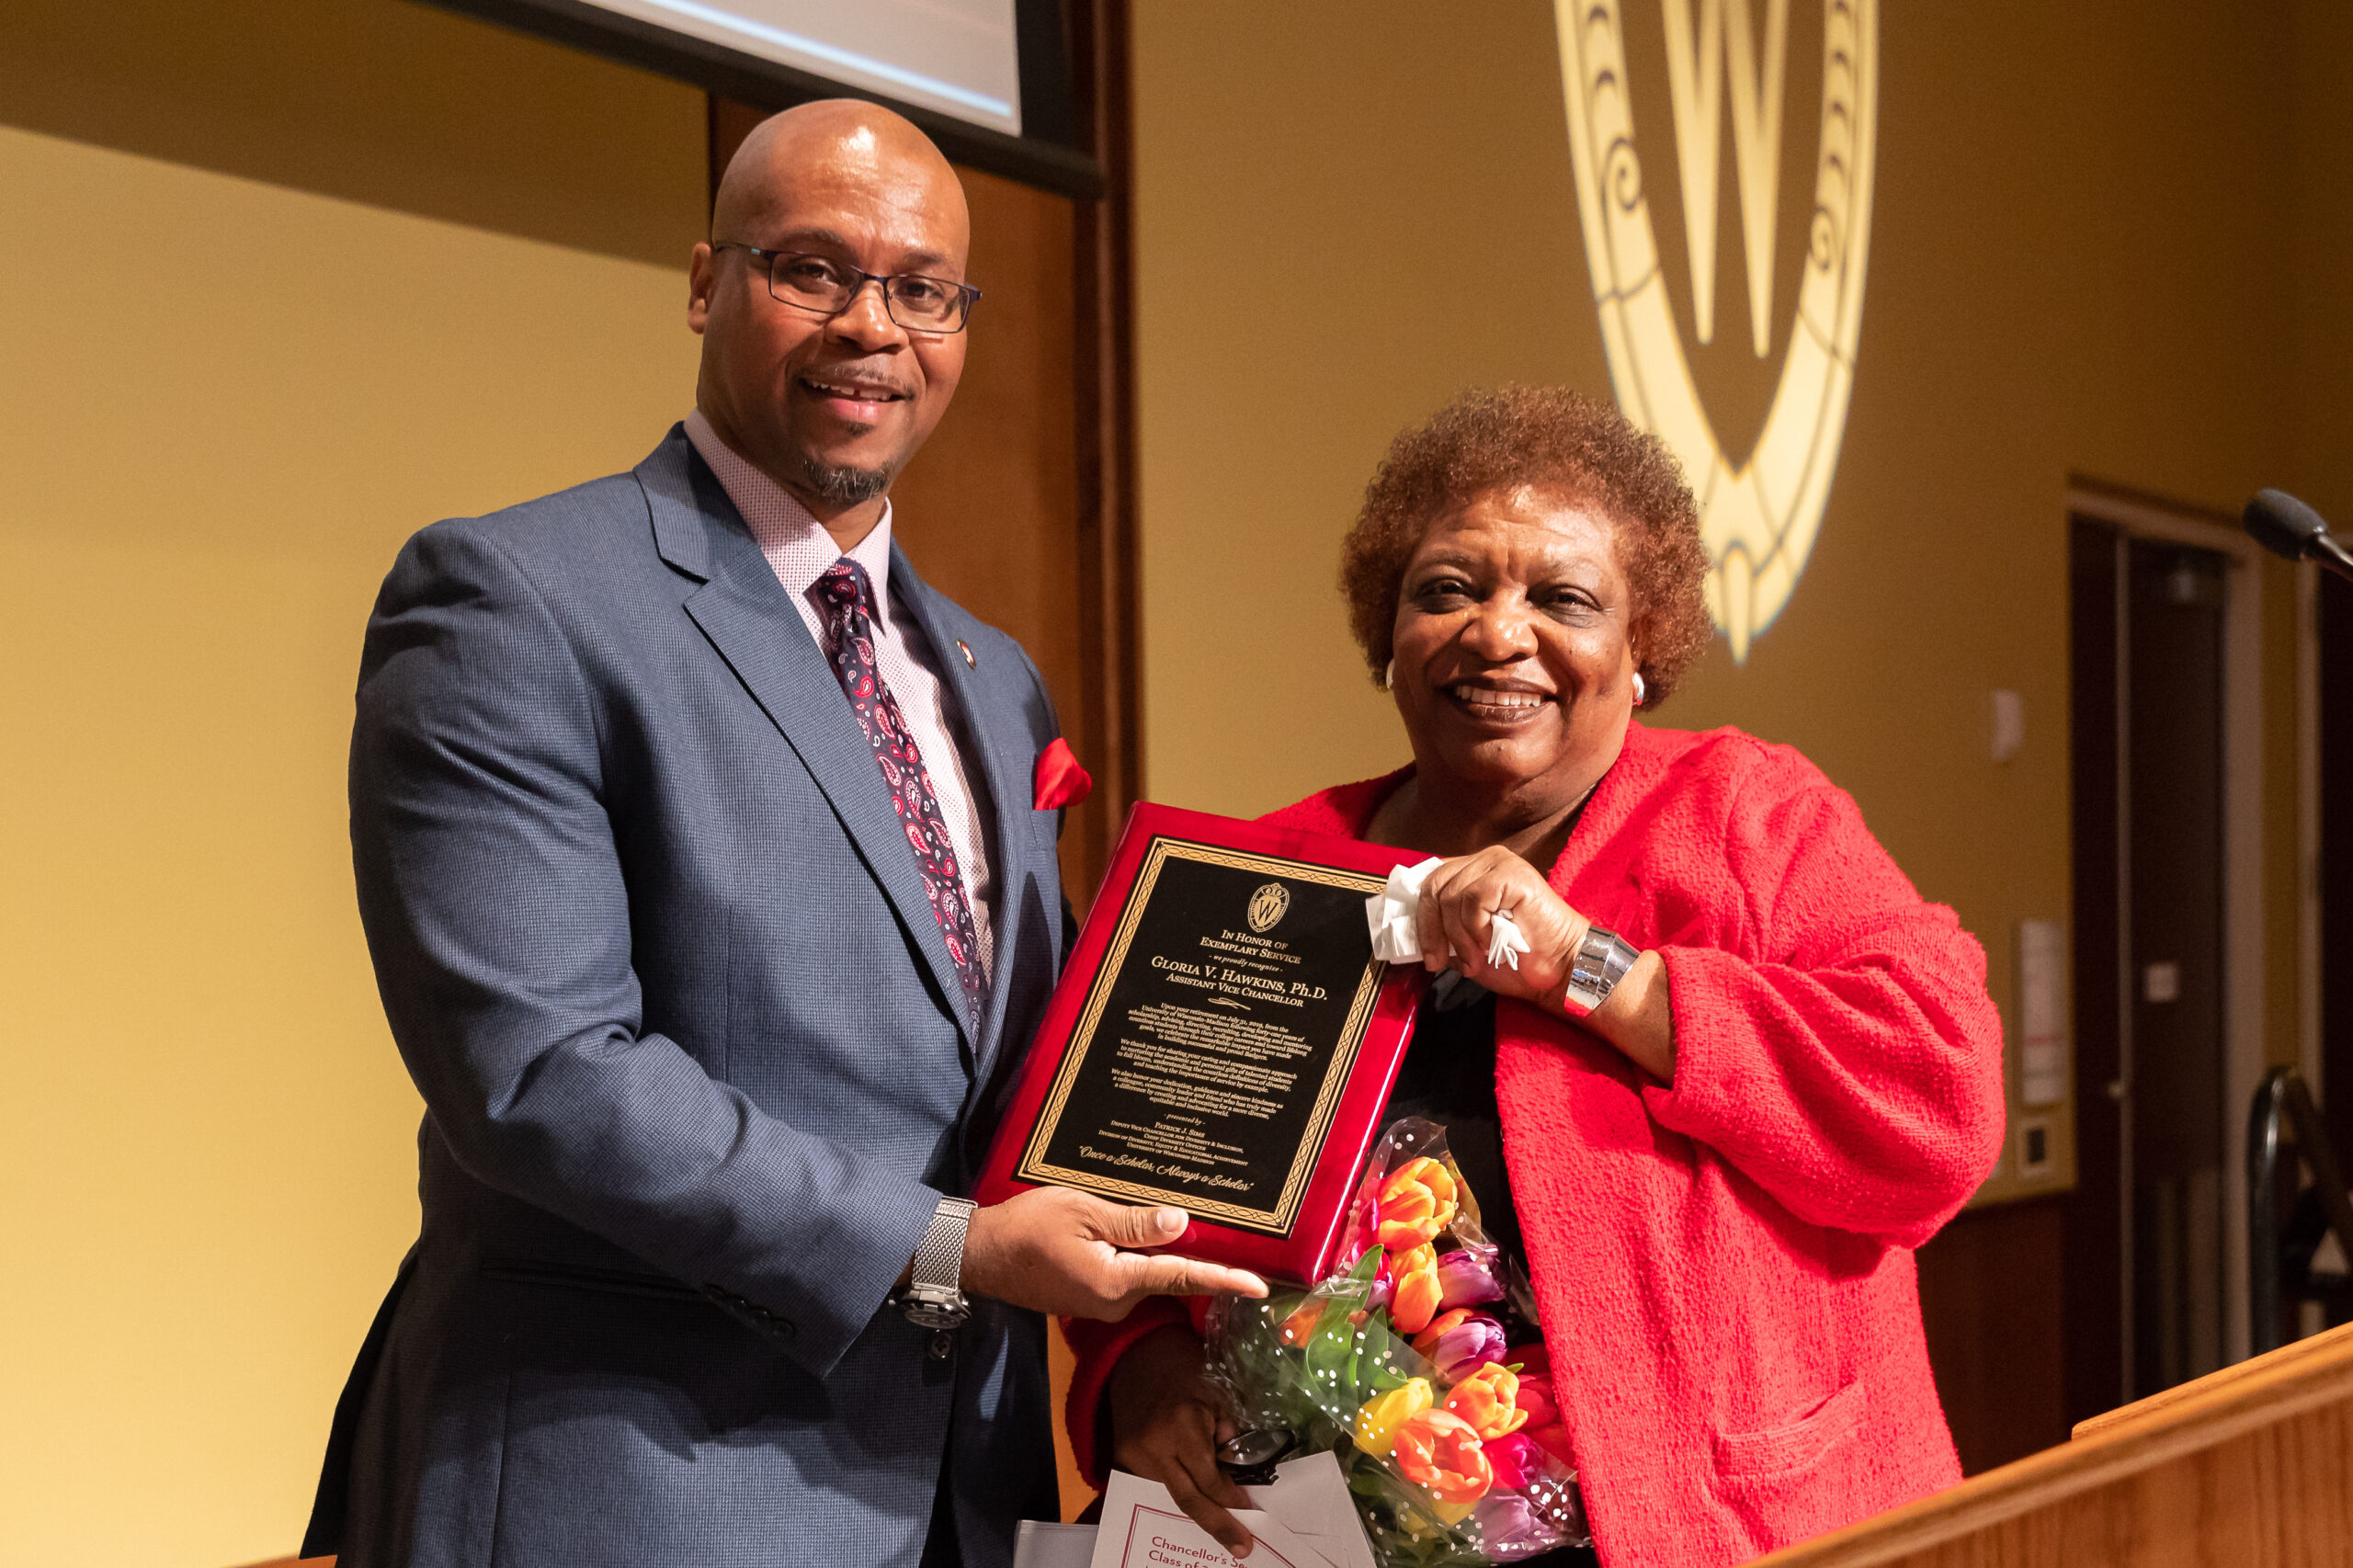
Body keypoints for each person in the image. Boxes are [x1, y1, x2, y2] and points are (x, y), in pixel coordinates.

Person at [302, 101, 1262, 1568]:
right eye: (810, 268)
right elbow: (540, 1072)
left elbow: (1015, 1070)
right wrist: (949, 1248)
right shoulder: (514, 600)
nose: (871, 327)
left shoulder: (993, 676)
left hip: (957, 1498)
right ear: (705, 283)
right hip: (630, 1488)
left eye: (922, 289)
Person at [1064, 387, 2006, 1568]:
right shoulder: (1267, 874)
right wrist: (1138, 1366)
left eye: (1561, 598)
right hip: (1318, 1538)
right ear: (1387, 632)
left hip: (1721, 1529)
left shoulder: (1751, 813)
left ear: (1642, 647)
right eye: (1446, 590)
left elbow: (1940, 1100)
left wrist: (1588, 969)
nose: (1497, 634)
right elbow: (1115, 1188)